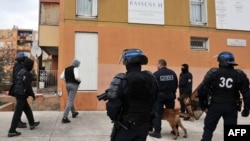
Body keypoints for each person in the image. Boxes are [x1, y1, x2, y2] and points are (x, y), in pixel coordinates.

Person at [105, 49, 159, 141]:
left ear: (127, 61)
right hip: (144, 126)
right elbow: (154, 100)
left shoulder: (122, 79)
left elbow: (112, 108)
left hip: (126, 127)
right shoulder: (151, 78)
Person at [198, 51, 250, 141]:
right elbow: (247, 93)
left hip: (215, 105)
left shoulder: (213, 72)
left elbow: (202, 91)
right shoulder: (239, 74)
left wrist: (204, 106)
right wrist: (247, 108)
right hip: (231, 106)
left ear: (221, 62)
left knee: (208, 129)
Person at [8, 58, 40, 137]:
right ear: (30, 66)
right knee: (17, 113)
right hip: (21, 94)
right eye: (32, 66)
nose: (32, 67)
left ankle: (32, 123)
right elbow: (28, 87)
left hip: (19, 93)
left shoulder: (21, 71)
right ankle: (12, 131)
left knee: (27, 109)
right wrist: (32, 95)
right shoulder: (27, 74)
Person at [149, 59, 178, 138]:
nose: (156, 66)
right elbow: (176, 84)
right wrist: (173, 93)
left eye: (157, 64)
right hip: (170, 96)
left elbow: (153, 87)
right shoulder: (172, 73)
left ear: (160, 64)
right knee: (172, 113)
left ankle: (157, 132)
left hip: (159, 97)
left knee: (157, 114)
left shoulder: (156, 74)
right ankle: (175, 130)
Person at [60, 59, 81, 123]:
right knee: (70, 101)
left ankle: (73, 112)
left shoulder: (66, 69)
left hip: (67, 85)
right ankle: (64, 117)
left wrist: (67, 81)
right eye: (78, 64)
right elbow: (77, 77)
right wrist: (80, 81)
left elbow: (61, 77)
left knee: (70, 99)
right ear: (77, 64)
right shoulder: (75, 68)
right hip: (73, 86)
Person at [12, 52, 28, 128]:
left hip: (20, 89)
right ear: (22, 59)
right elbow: (19, 77)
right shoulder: (18, 66)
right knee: (19, 107)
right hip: (19, 89)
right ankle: (16, 123)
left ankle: (20, 121)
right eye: (25, 58)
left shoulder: (20, 65)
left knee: (22, 107)